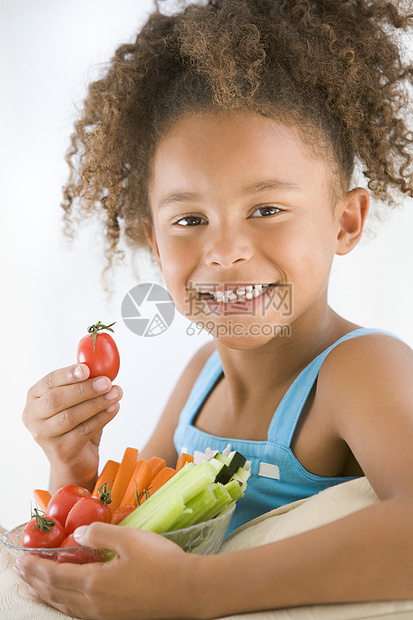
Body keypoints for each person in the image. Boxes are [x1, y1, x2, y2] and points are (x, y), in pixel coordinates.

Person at [15, 0, 413, 618]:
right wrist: (72, 464)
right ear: (154, 242)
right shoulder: (202, 378)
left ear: (346, 220)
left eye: (267, 209)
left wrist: (194, 592)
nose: (225, 252)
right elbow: (129, 540)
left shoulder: (361, 370)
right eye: (190, 220)